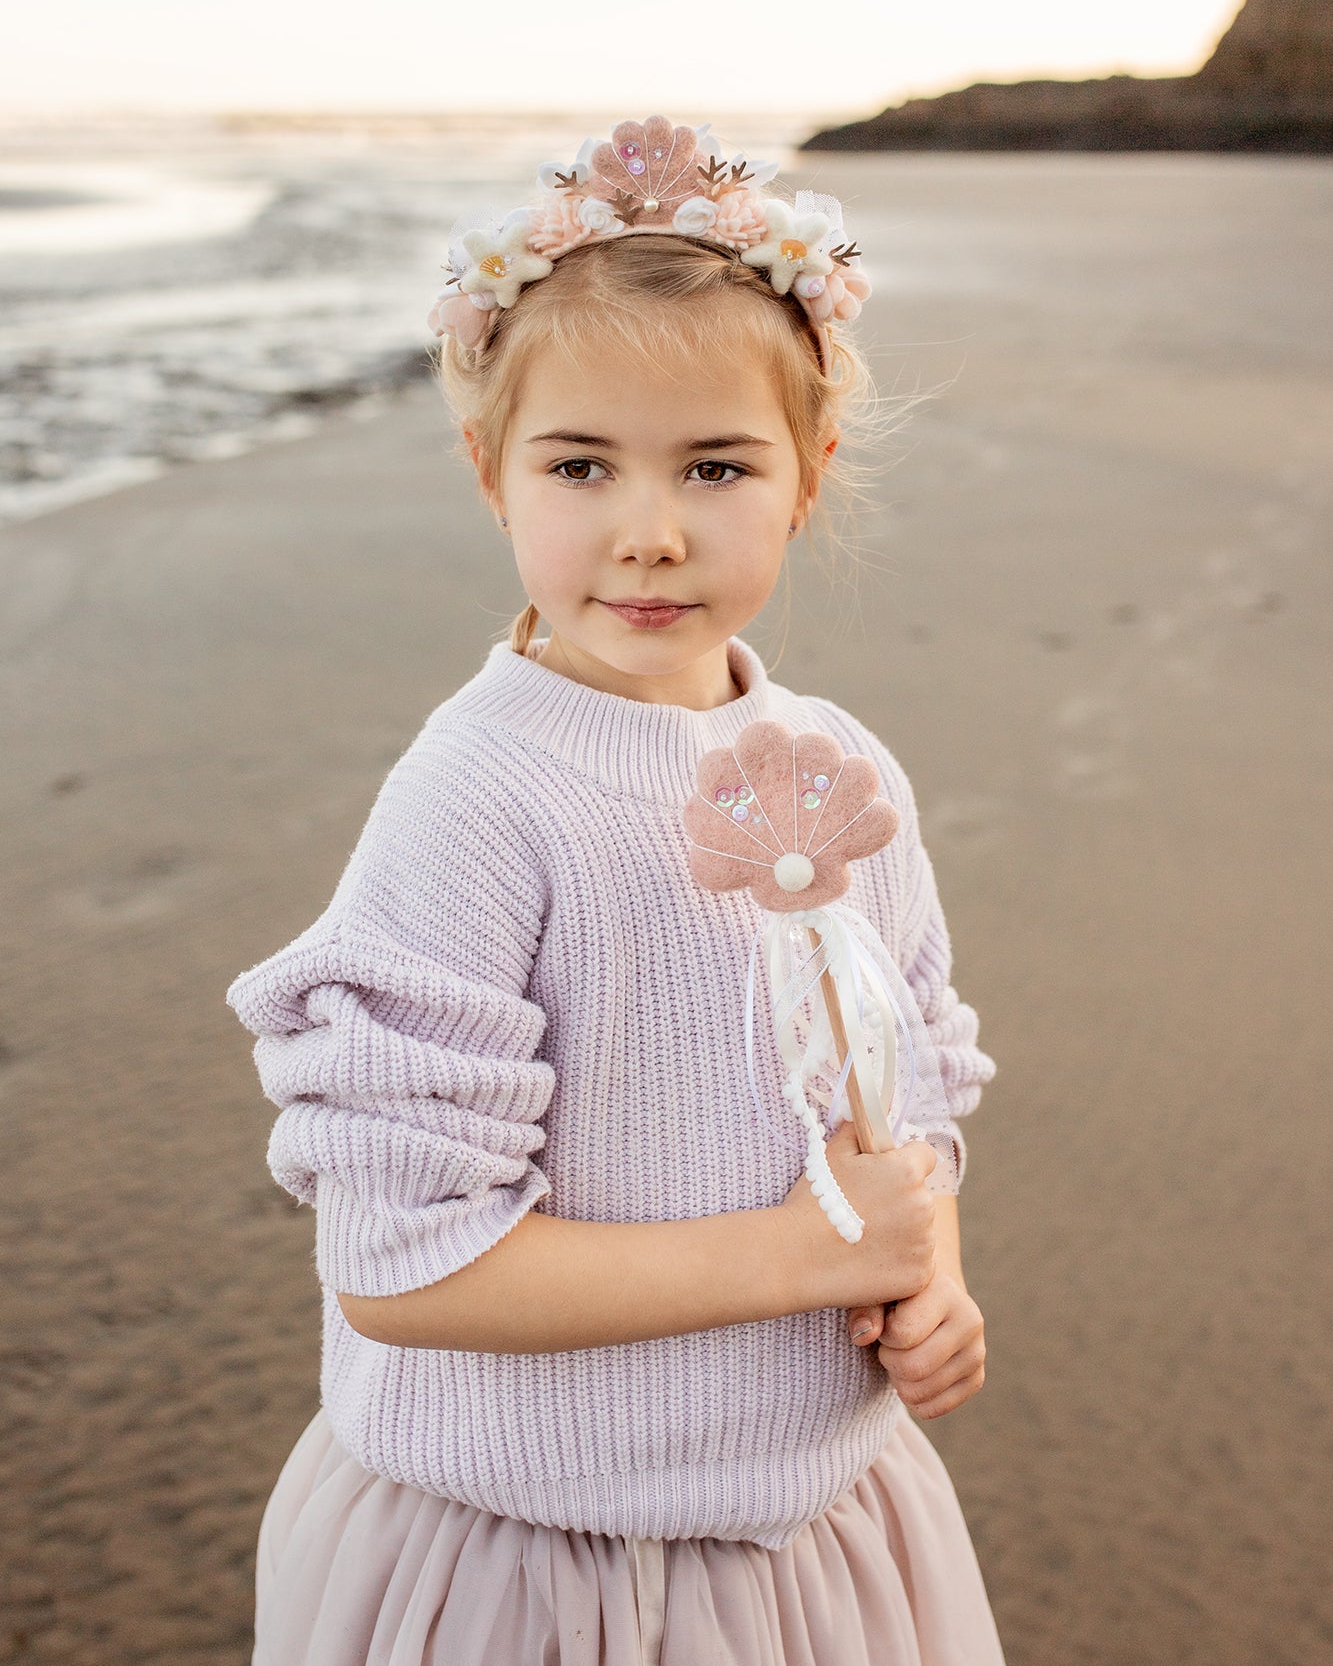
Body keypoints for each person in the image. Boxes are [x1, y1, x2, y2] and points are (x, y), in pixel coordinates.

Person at [228, 117, 1003, 1665]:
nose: (647, 531)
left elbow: (900, 1102)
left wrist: (931, 1279)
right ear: (487, 469)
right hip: (530, 1561)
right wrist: (792, 1254)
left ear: (806, 476)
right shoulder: (480, 797)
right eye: (579, 465)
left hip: (811, 1535)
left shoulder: (838, 769)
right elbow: (405, 1263)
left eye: (715, 465)